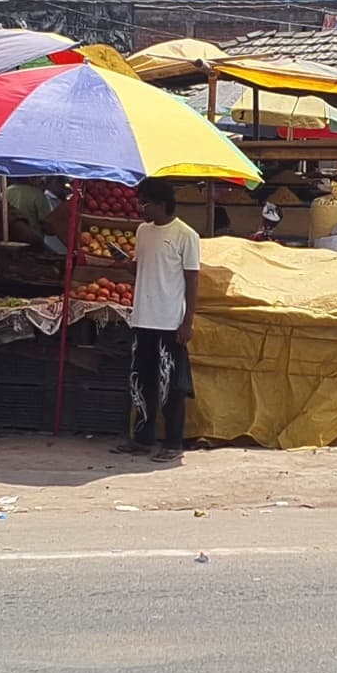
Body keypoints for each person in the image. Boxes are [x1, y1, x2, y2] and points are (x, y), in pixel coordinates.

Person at [114, 179, 199, 464]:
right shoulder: (142, 231)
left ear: (161, 204)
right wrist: (126, 263)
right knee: (141, 382)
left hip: (169, 320)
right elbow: (142, 267)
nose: (140, 208)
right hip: (142, 318)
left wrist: (187, 322)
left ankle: (173, 442)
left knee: (170, 386)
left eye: (145, 203)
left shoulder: (186, 235)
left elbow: (192, 280)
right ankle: (143, 438)